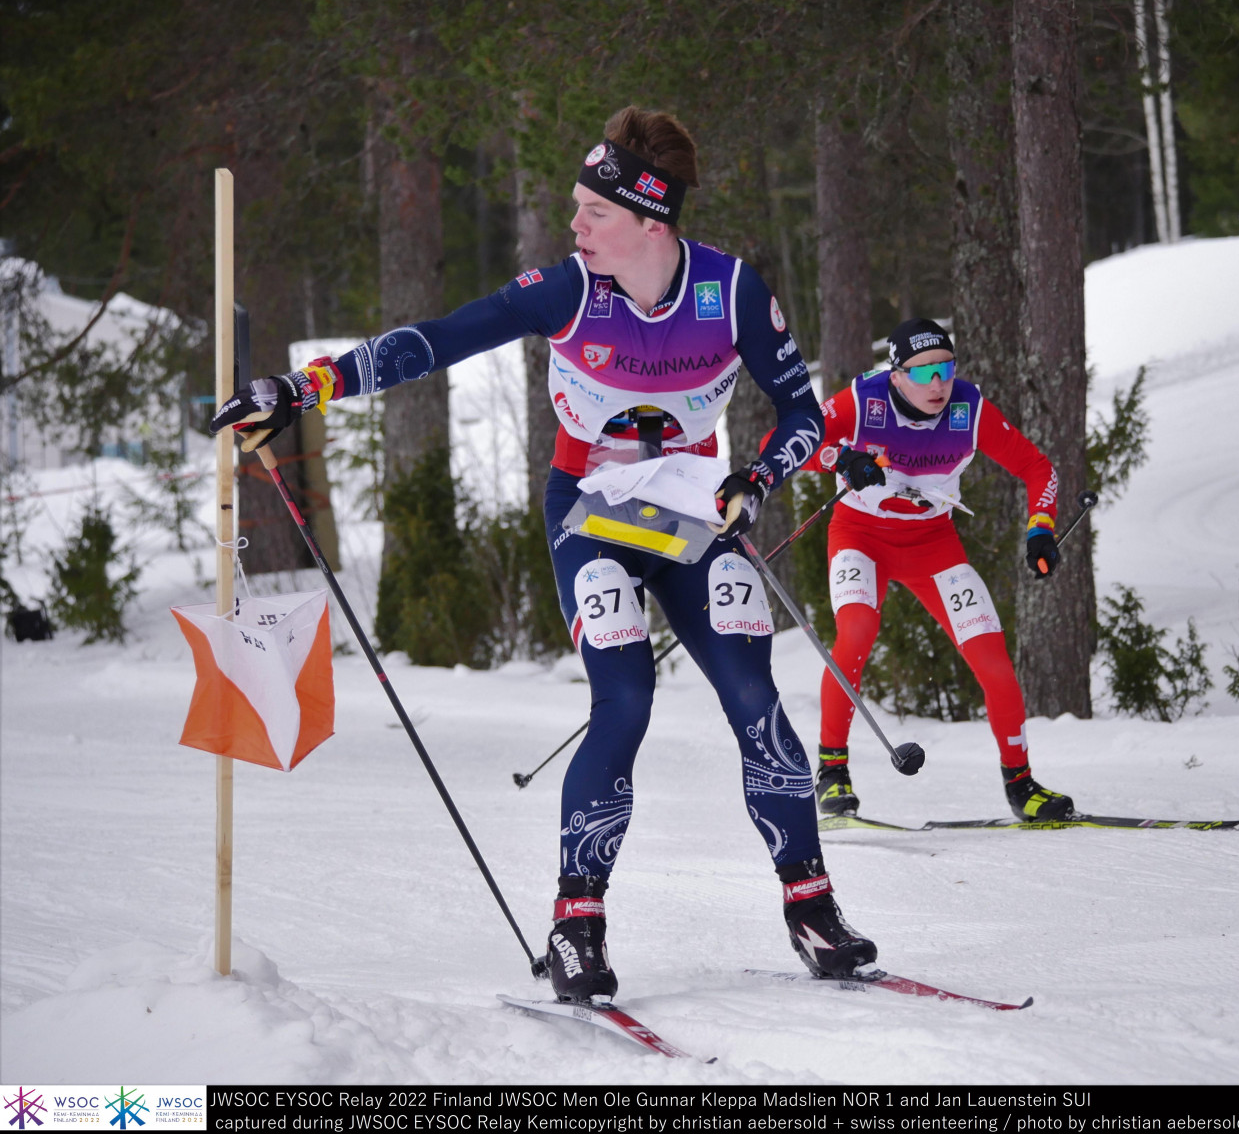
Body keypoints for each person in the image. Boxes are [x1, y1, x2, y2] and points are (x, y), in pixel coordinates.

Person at [210, 106, 876, 1001]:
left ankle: (811, 908)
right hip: (590, 512)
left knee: (755, 698)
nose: (575, 225)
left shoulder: (732, 292)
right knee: (624, 701)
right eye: (575, 207)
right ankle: (577, 926)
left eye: (594, 212)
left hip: (692, 513)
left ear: (651, 222)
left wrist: (755, 480)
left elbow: (802, 413)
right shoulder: (567, 290)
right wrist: (304, 387)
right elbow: (438, 338)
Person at [806, 318, 1075, 822]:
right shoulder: (862, 401)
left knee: (992, 657)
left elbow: (1038, 468)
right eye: (922, 372)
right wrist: (840, 458)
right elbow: (784, 443)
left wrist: (1040, 527)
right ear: (896, 375)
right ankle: (831, 772)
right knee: (857, 631)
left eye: (946, 369)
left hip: (932, 544)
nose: (937, 384)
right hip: (860, 535)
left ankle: (1021, 785)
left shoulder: (969, 410)